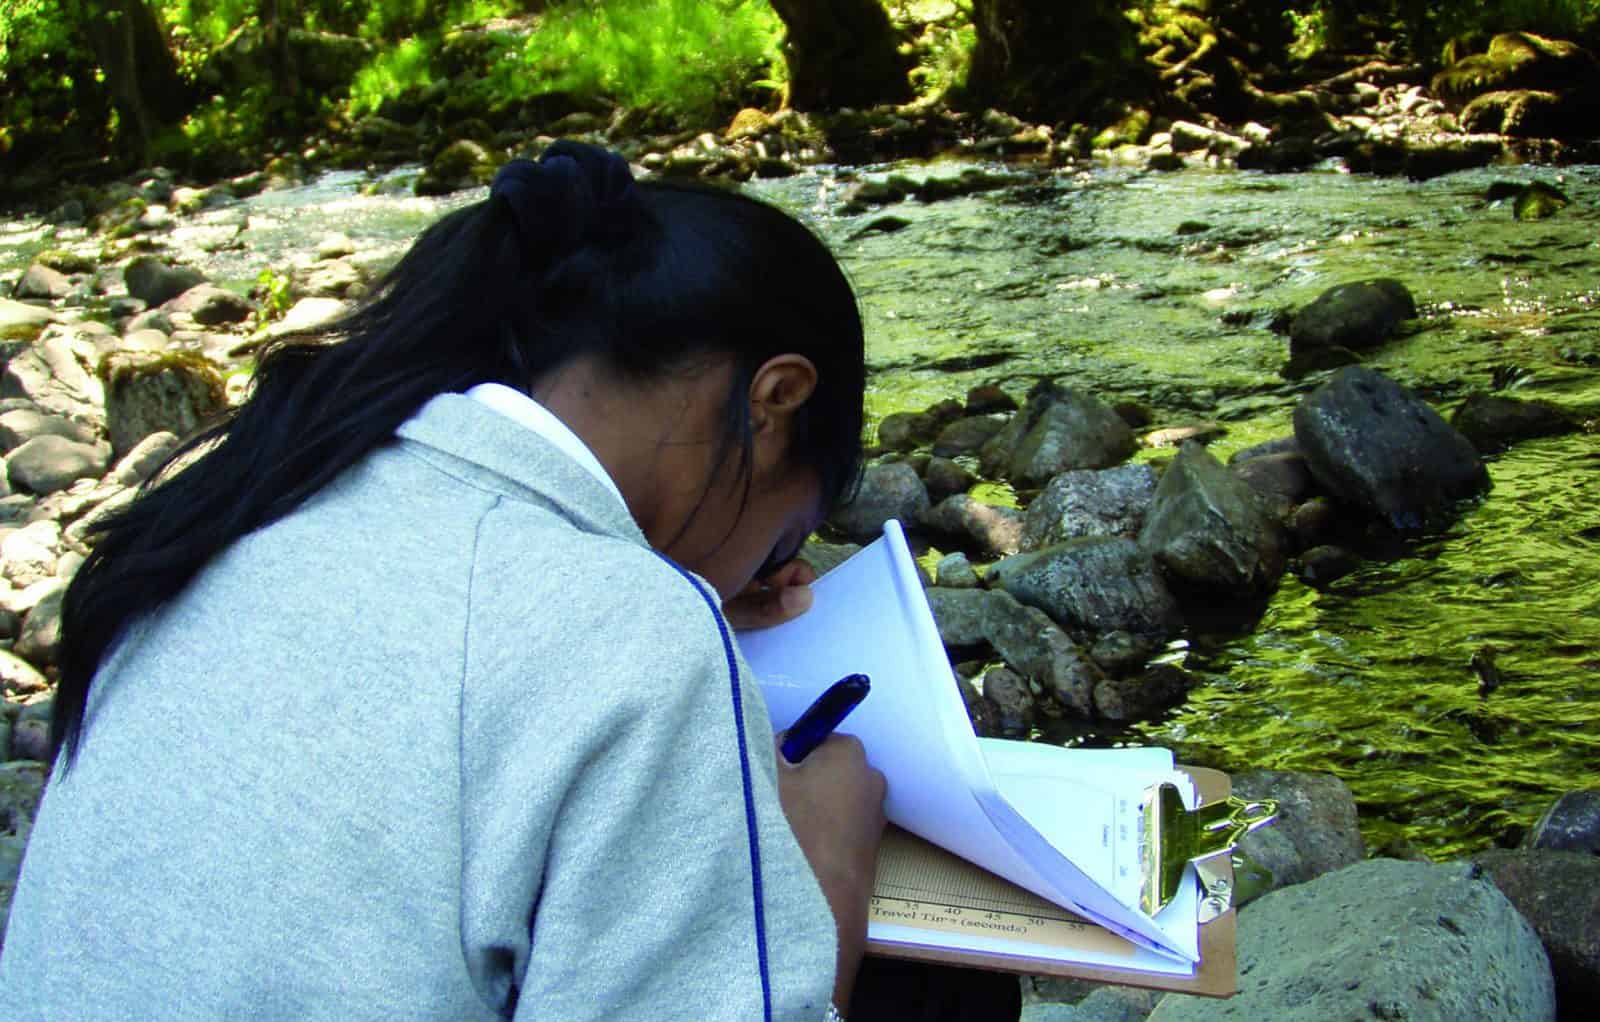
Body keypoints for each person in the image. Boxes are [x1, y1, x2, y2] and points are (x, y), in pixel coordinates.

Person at [0, 142, 887, 1021]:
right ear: (774, 399)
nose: (772, 572)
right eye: (783, 542)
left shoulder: (255, 500)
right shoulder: (629, 630)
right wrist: (829, 867)